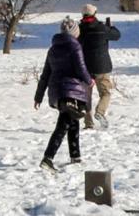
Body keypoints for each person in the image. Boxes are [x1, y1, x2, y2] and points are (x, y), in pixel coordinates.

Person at [33, 16, 92, 170]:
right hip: (71, 90)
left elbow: (45, 74)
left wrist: (38, 96)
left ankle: (75, 155)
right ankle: (48, 157)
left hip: (57, 91)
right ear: (75, 32)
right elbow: (81, 68)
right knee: (64, 123)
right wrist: (89, 80)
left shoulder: (52, 49)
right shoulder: (75, 47)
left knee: (72, 119)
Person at [77, 3, 120, 127]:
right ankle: (100, 112)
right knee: (105, 93)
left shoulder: (79, 29)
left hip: (84, 67)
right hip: (102, 67)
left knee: (86, 96)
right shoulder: (101, 28)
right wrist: (111, 27)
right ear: (95, 14)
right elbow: (116, 36)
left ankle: (88, 123)